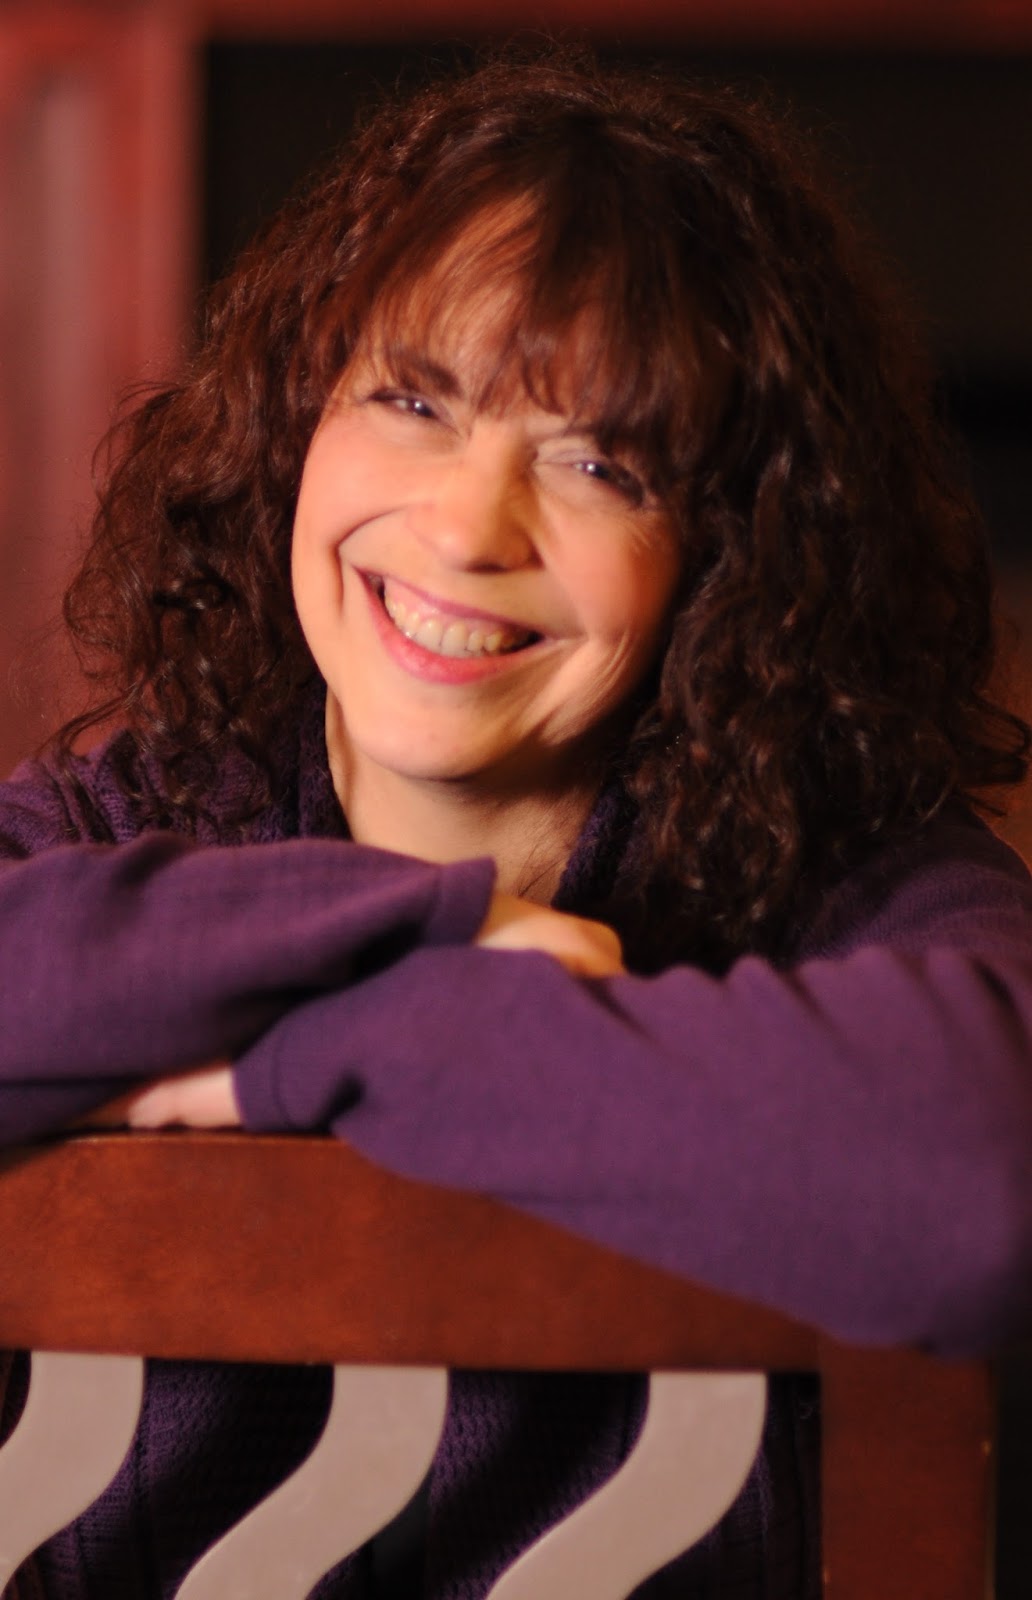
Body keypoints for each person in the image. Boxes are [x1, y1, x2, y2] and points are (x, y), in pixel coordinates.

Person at [2, 48, 1032, 1600]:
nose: (470, 528)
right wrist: (436, 925)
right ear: (296, 422)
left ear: (732, 558)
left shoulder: (846, 887)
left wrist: (318, 1045)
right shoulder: (137, 814)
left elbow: (981, 1184)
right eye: (414, 399)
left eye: (601, 462)